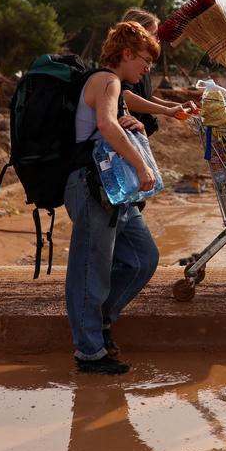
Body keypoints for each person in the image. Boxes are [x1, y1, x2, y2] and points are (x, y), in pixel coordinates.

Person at [64, 21, 162, 375]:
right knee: (91, 269)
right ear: (126, 54)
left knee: (142, 258)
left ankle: (101, 321)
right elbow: (105, 125)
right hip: (92, 186)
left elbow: (112, 123)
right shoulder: (107, 81)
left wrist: (132, 124)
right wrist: (142, 166)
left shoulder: (115, 86)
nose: (148, 68)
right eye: (145, 60)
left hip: (112, 189)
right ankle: (89, 352)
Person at [118, 7, 195, 137]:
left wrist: (176, 106)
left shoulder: (141, 63)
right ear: (139, 34)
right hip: (127, 134)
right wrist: (166, 110)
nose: (158, 39)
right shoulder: (129, 63)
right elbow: (125, 97)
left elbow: (145, 97)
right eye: (154, 34)